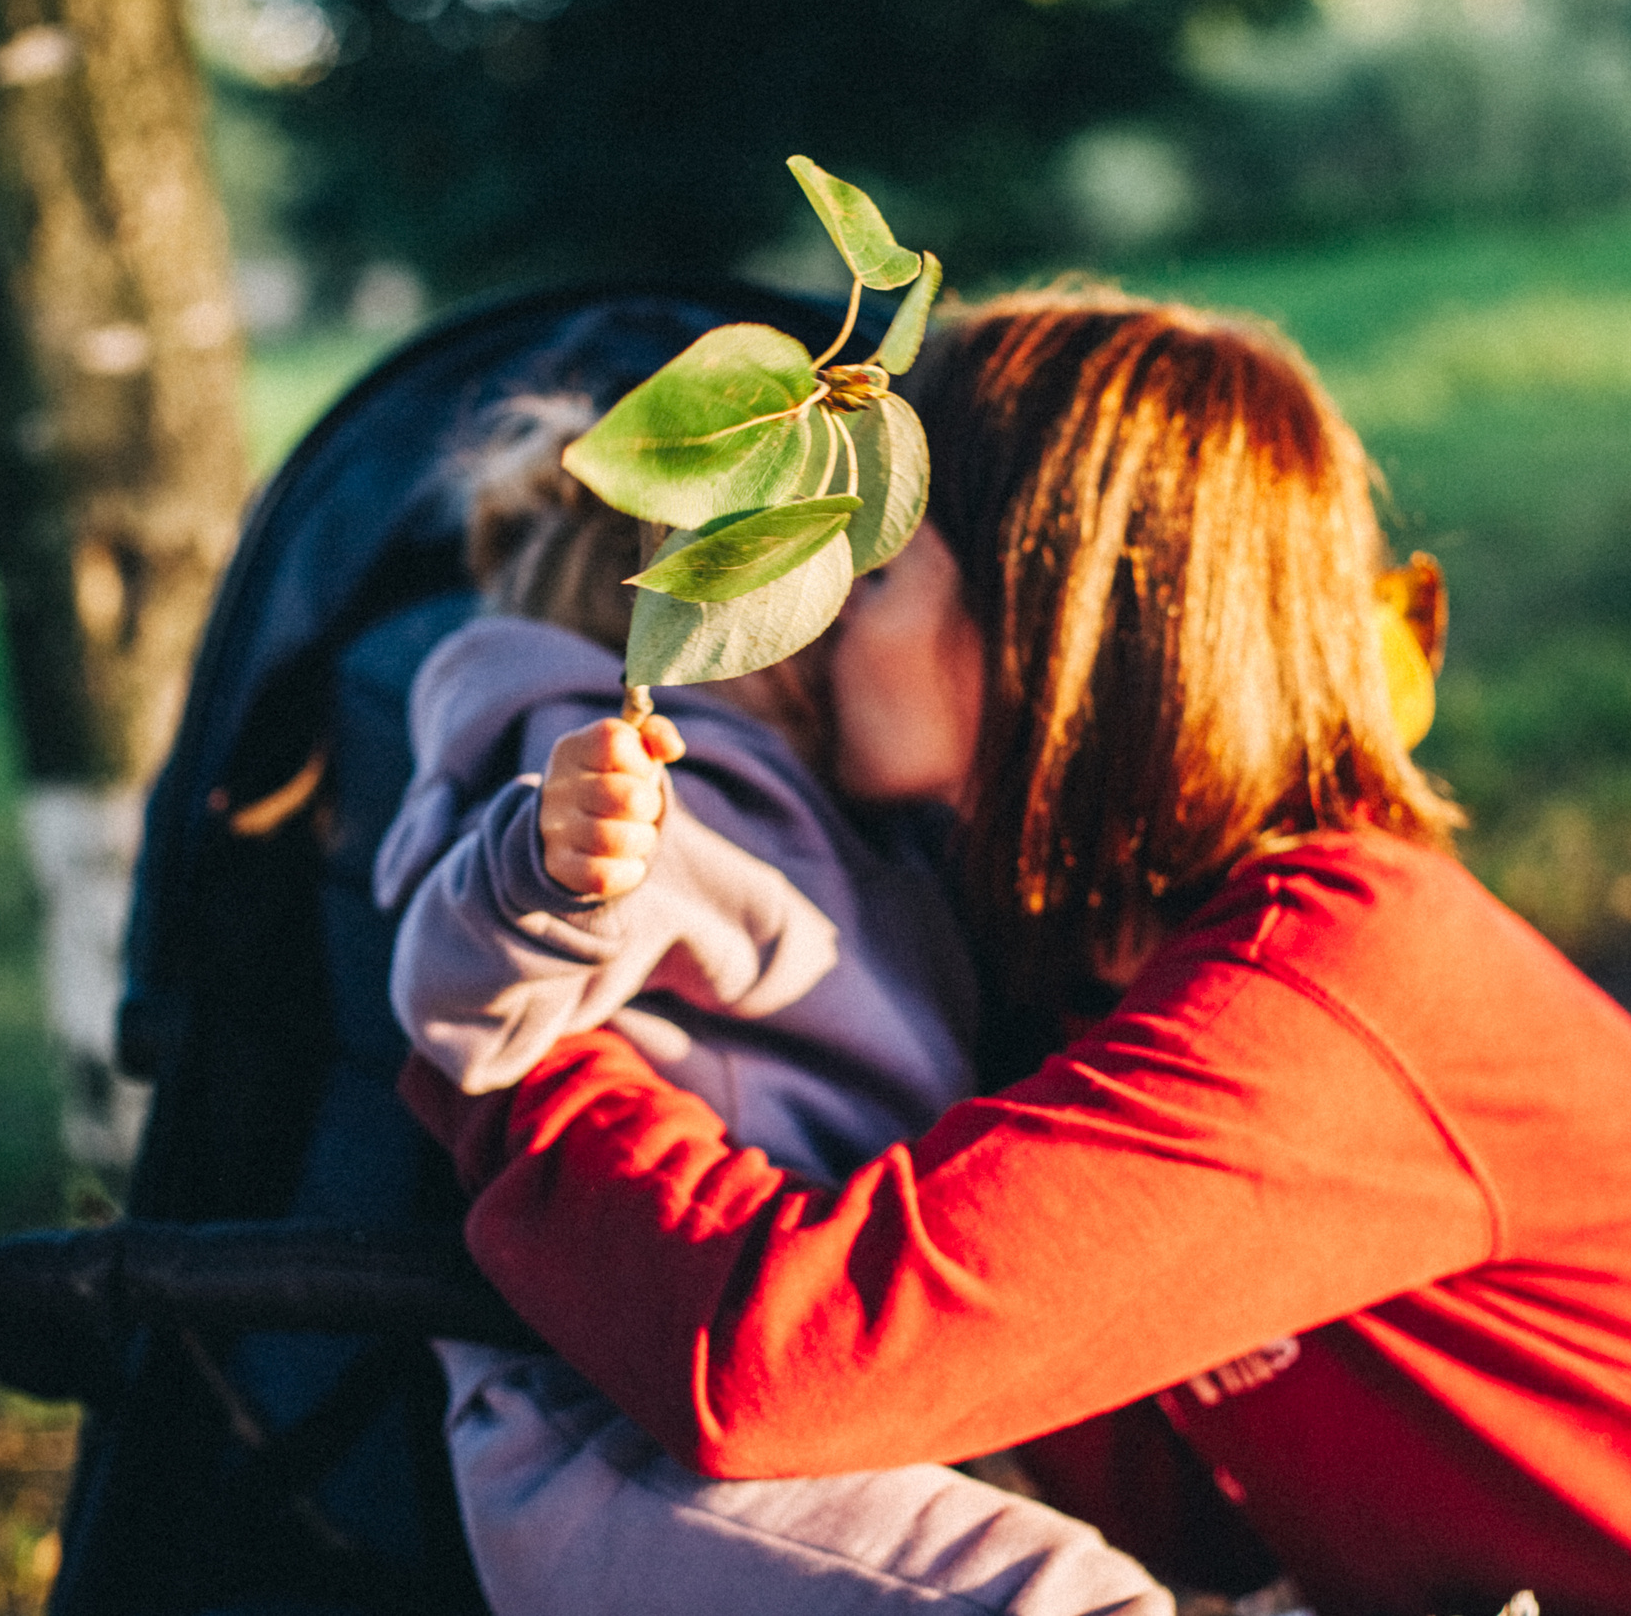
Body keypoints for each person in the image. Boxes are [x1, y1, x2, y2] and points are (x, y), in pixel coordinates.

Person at [398, 291, 1631, 1616]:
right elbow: (1178, 1499)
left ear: (1055, 623)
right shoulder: (1092, 970)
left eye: (880, 568)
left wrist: (511, 1070)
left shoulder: (1337, 984)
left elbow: (778, 1359)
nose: (826, 616)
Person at [372, 390, 1178, 1615]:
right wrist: (545, 868)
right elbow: (454, 1004)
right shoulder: (659, 792)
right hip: (626, 1428)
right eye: (844, 586)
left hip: (832, 1375)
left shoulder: (871, 835)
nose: (866, 611)